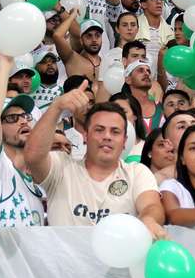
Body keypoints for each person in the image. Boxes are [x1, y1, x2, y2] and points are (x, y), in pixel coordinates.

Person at [25, 83, 167, 238]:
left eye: (115, 131)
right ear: (85, 135)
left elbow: (151, 205)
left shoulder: (137, 172)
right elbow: (32, 155)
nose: (107, 136)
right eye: (99, 130)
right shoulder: (61, 167)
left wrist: (148, 219)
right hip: (66, 262)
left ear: (125, 140)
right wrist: (56, 107)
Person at [0, 49, 45, 227]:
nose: (23, 121)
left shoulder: (41, 174)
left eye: (25, 116)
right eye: (12, 118)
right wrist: (5, 66)